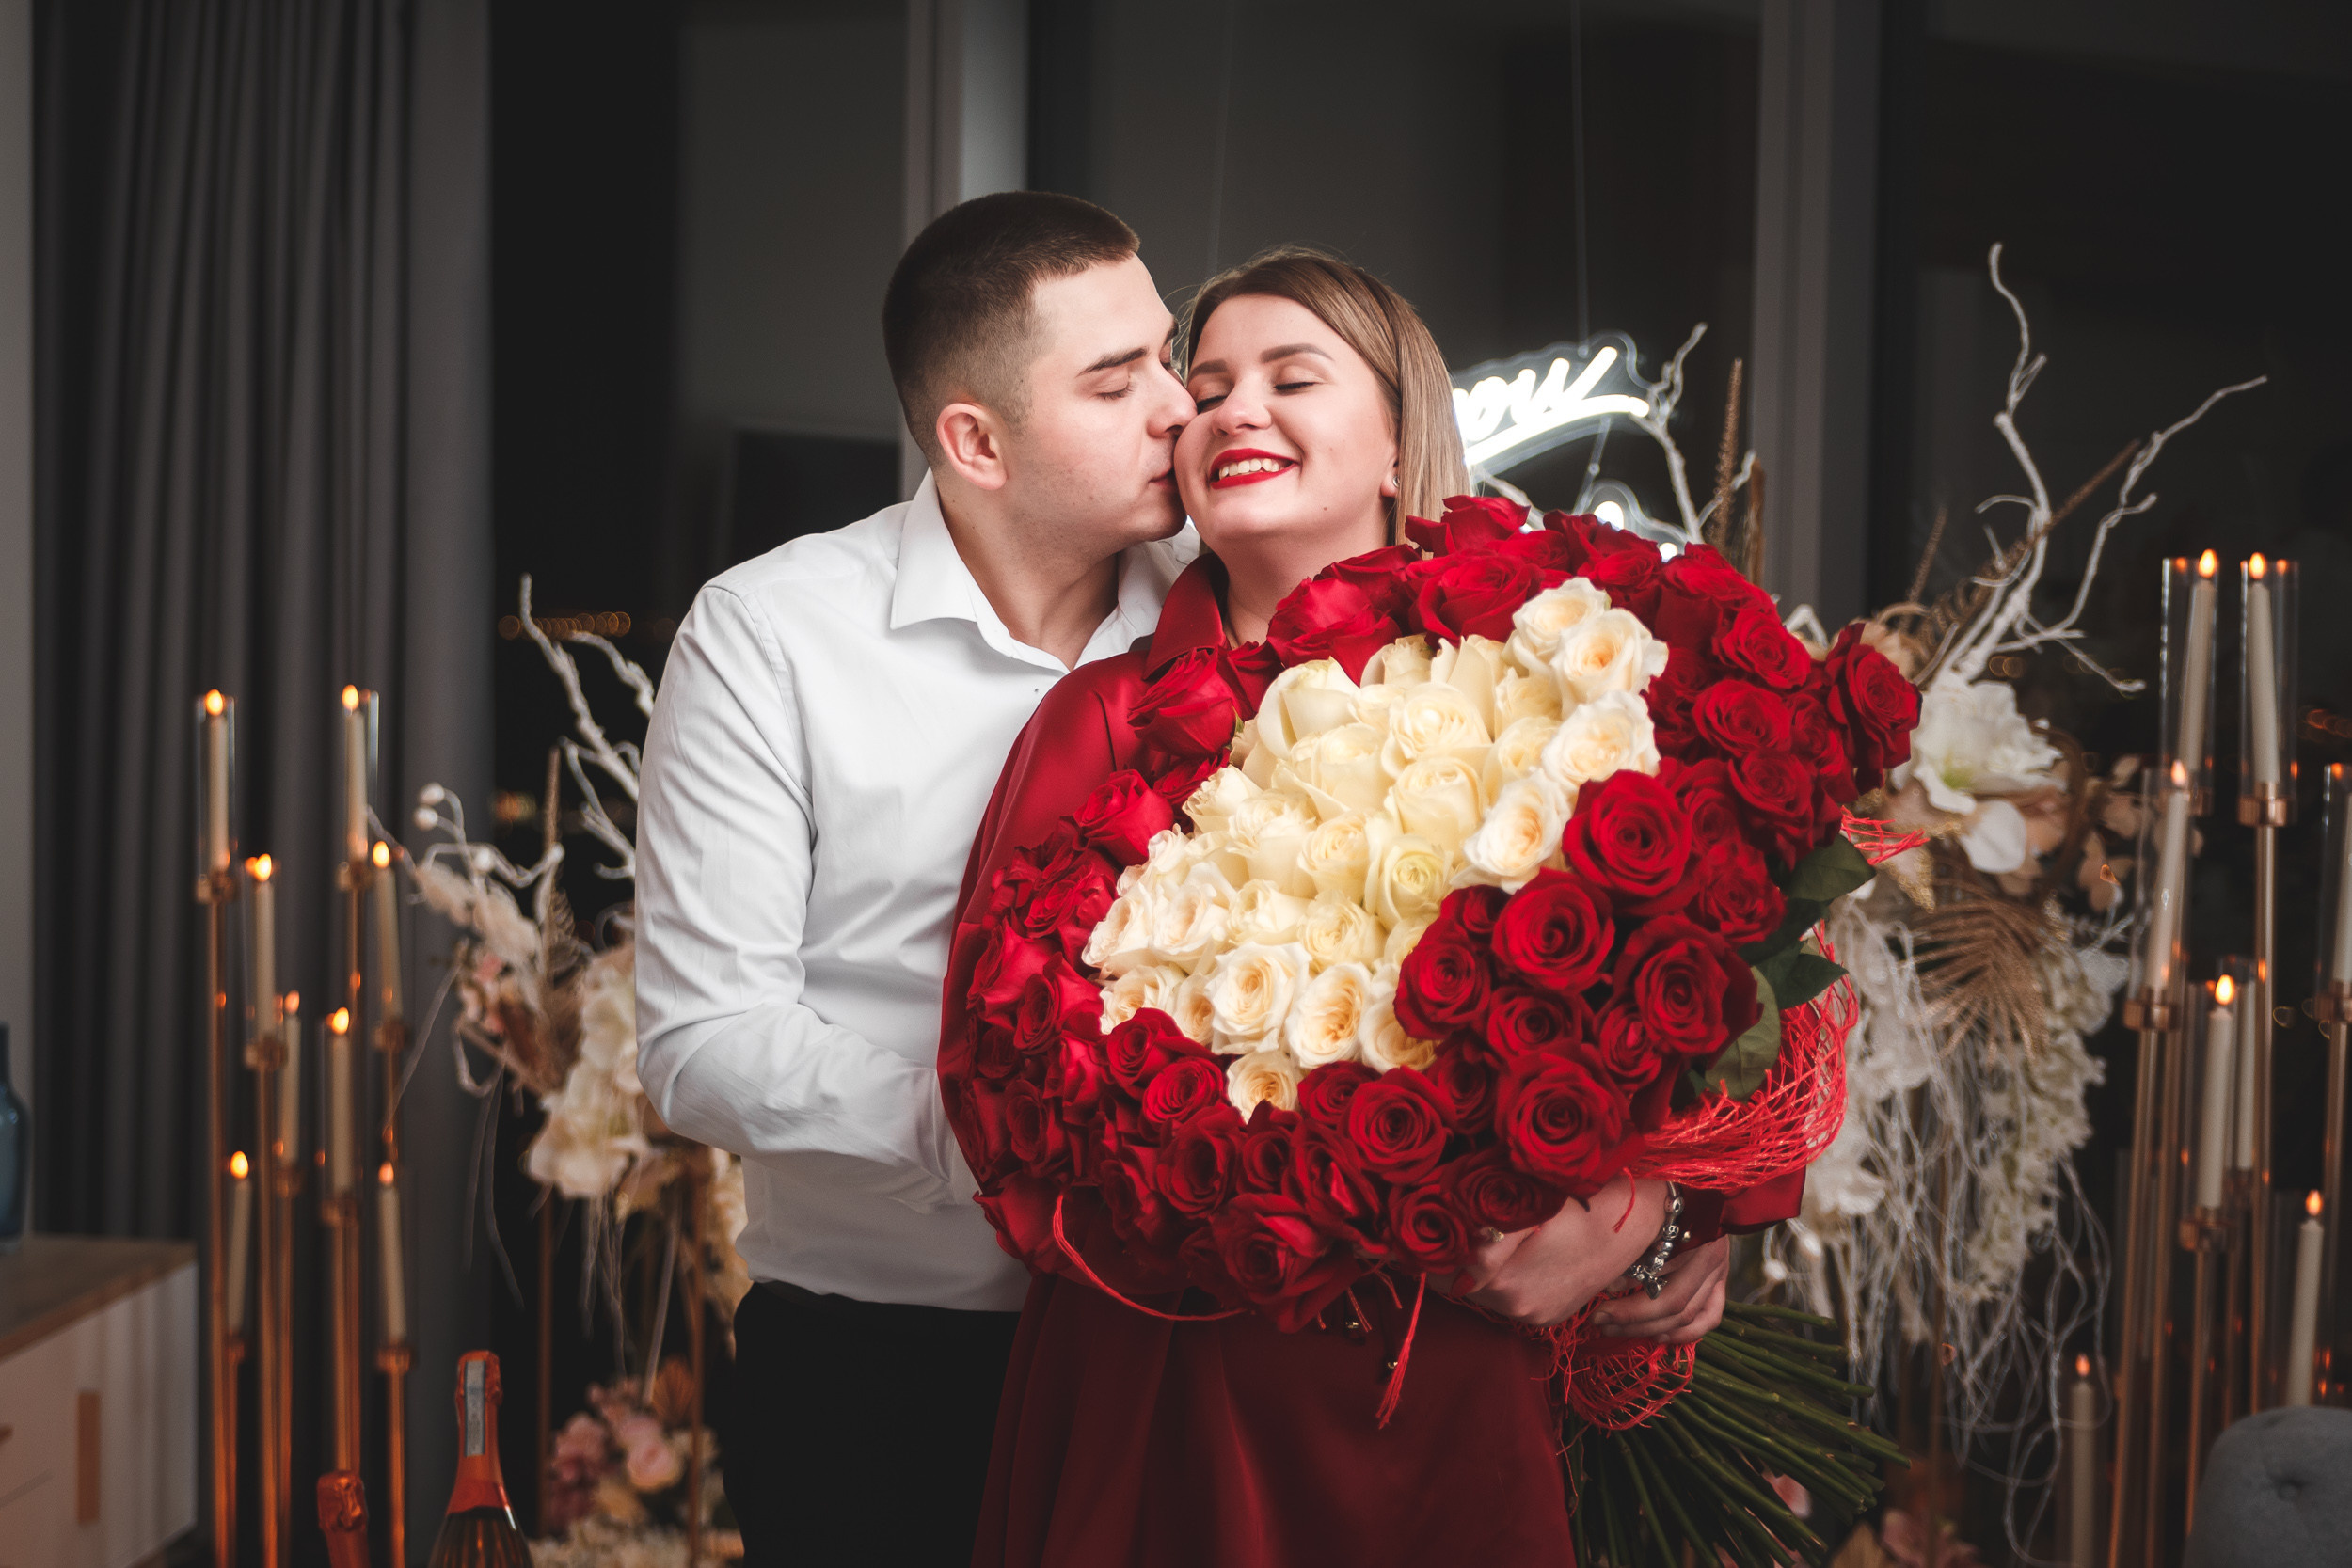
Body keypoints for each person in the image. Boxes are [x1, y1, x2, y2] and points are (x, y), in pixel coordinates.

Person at [940, 248, 1783, 1567]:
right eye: (1204, 386)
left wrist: (1654, 1221)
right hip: (1178, 1395)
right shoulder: (1097, 725)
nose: (1233, 411)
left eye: (1291, 376)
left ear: (1401, 439)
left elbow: (1739, 965)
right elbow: (998, 1081)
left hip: (1460, 1383)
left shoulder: (1559, 669)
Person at [634, 191, 1197, 1566]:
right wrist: (1011, 1132)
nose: (1181, 409)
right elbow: (701, 1045)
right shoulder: (772, 636)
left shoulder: (1233, 608)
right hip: (878, 1371)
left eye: (1168, 357)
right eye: (1118, 382)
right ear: (973, 440)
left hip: (1185, 1364)